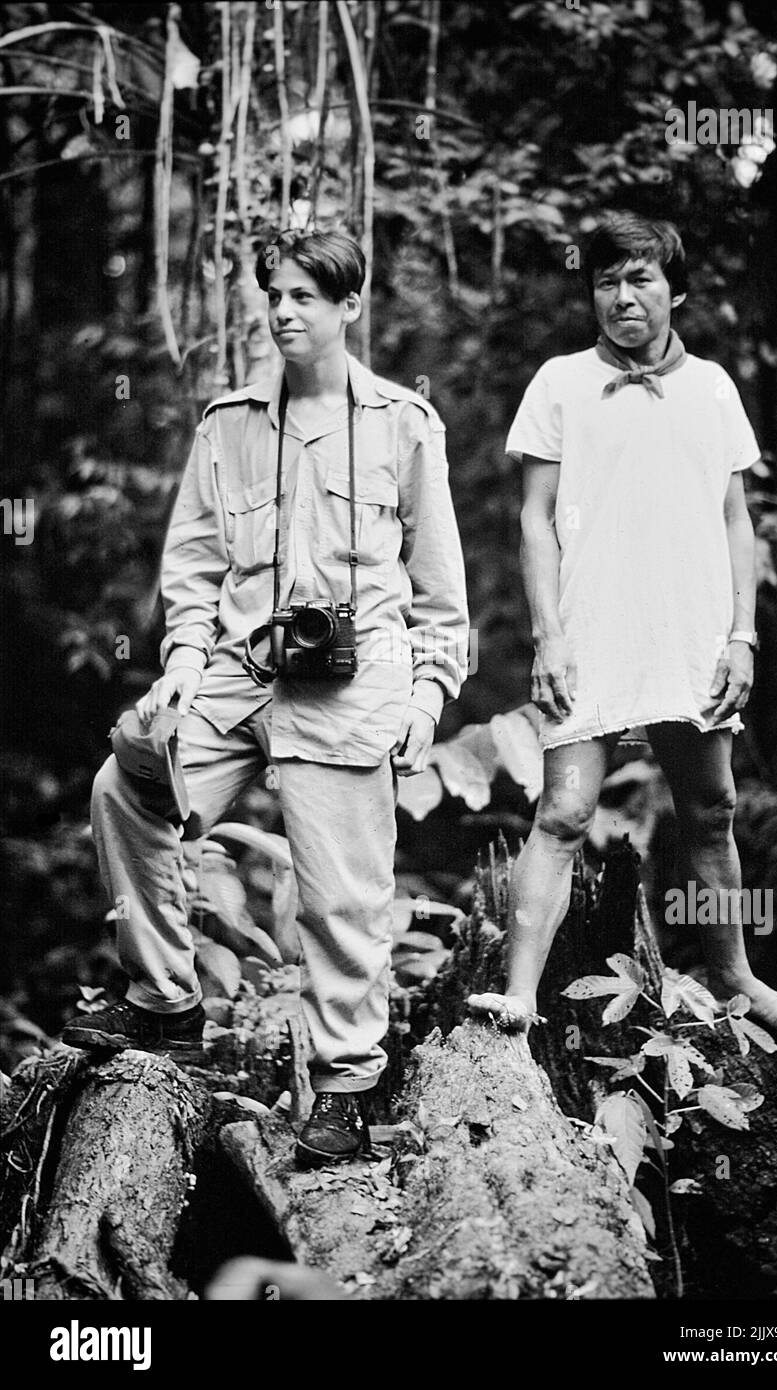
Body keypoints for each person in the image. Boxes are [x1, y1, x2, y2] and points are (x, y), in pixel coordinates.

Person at [62, 229, 469, 1165]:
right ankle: (165, 1003)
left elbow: (442, 592)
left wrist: (425, 697)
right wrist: (180, 661)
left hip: (351, 686)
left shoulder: (405, 424)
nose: (284, 312)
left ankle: (346, 1090)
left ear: (349, 308)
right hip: (236, 675)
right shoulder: (229, 423)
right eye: (274, 295)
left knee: (341, 897)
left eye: (305, 297)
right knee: (124, 790)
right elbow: (196, 565)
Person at [468, 212, 777, 1043]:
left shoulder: (715, 389)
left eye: (641, 279)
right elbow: (534, 519)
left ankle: (735, 977)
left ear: (677, 290)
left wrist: (743, 634)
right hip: (590, 632)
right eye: (606, 281)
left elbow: (738, 521)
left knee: (712, 807)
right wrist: (548, 636)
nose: (623, 297)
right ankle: (519, 995)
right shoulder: (558, 382)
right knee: (563, 812)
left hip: (689, 631)